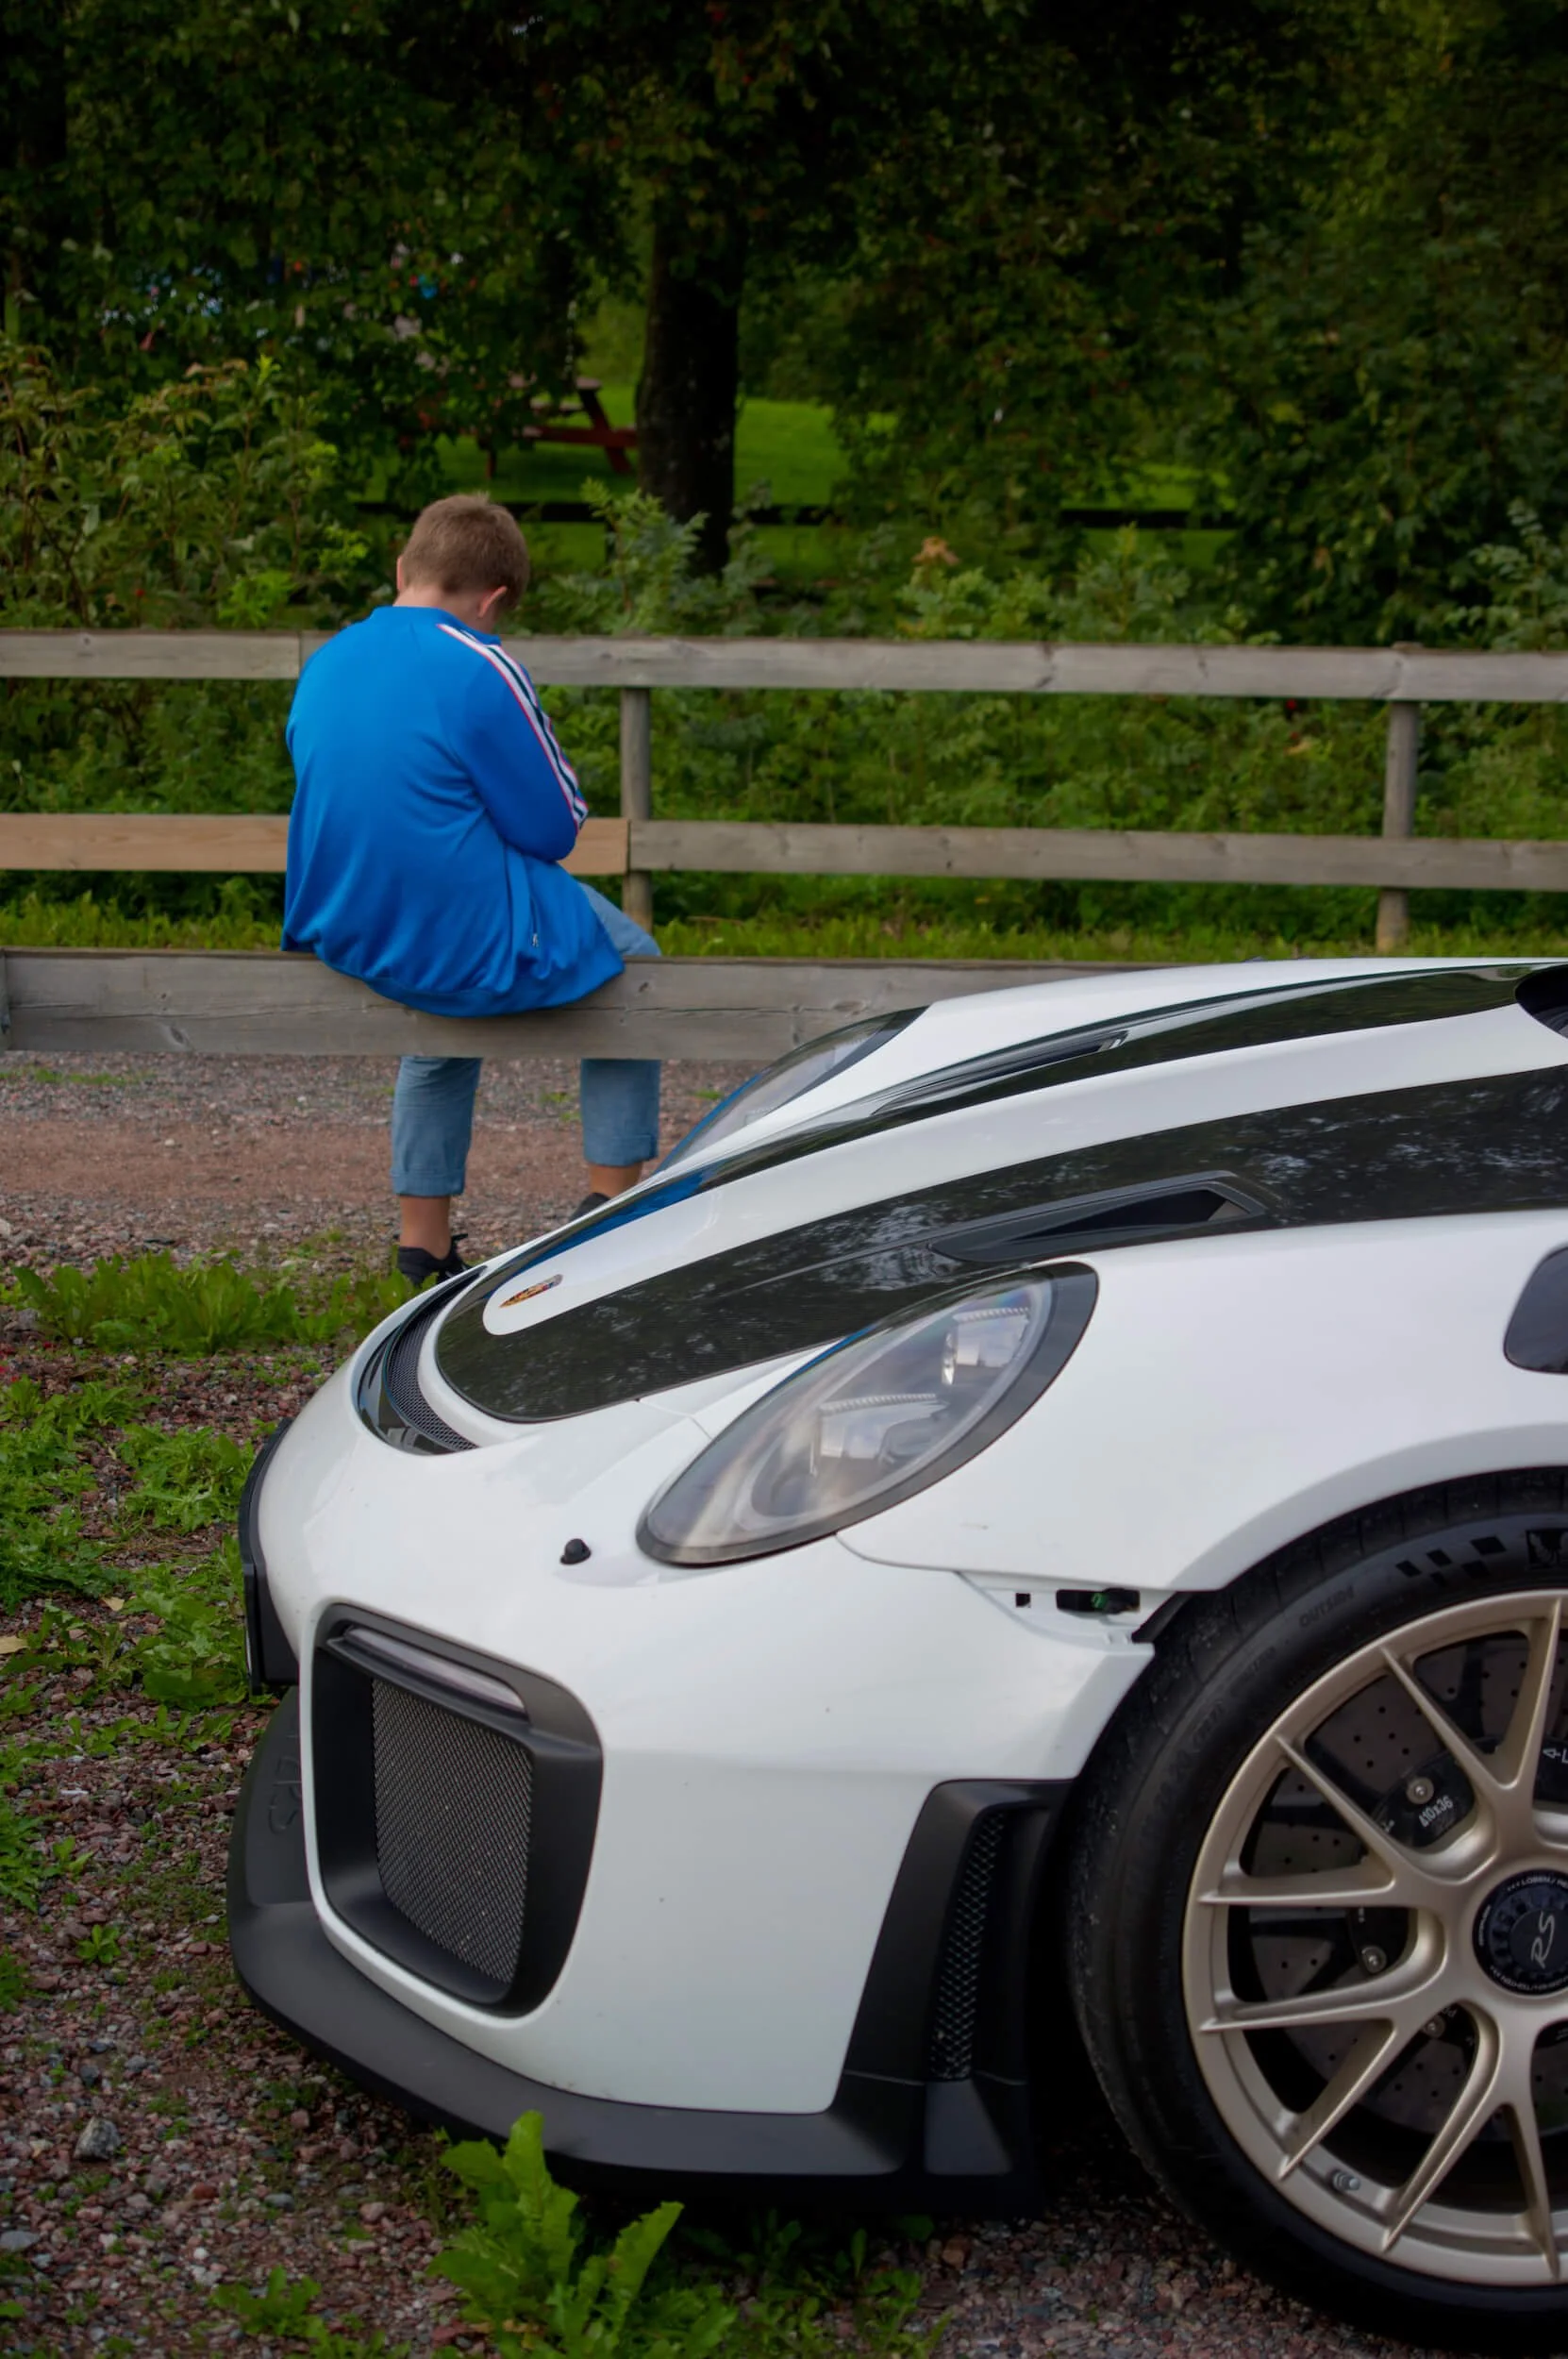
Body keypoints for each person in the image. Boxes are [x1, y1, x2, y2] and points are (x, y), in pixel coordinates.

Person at [282, 494, 660, 1283]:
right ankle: (610, 1205)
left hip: (347, 918)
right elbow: (555, 826)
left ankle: (423, 1243)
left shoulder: (327, 661)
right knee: (642, 970)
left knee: (436, 1008)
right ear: (492, 601)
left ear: (402, 570)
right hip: (452, 927)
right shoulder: (480, 664)